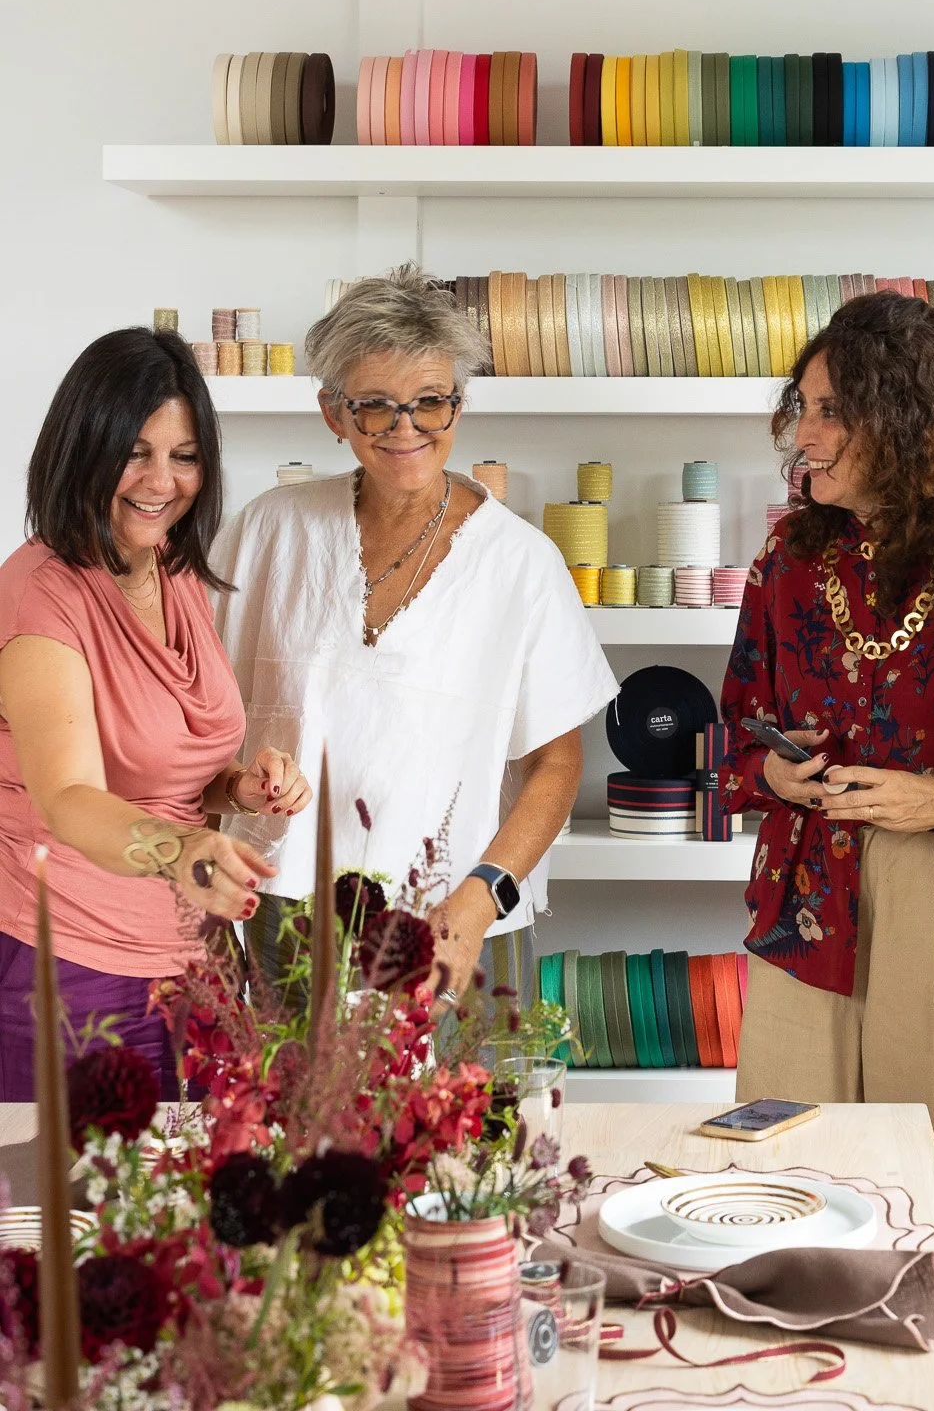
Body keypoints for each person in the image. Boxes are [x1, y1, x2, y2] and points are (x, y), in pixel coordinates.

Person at [721, 290, 934, 1342]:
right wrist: (773, 777)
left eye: (833, 409)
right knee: (777, 1183)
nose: (806, 432)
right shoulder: (787, 563)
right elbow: (736, 725)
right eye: (805, 406)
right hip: (802, 905)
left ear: (906, 419)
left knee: (932, 1203)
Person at [214, 265, 617, 1004]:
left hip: (456, 919)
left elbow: (556, 765)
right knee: (297, 1119)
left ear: (458, 406)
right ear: (333, 412)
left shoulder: (520, 561)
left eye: (431, 402)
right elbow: (198, 709)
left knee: (470, 1121)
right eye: (376, 406)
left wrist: (479, 897)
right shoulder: (270, 529)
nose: (408, 429)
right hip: (288, 907)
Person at [0, 328, 310, 1100]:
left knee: (186, 1211)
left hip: (190, 965)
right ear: (83, 447)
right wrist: (179, 852)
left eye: (185, 455)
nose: (161, 481)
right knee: (66, 1217)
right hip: (71, 970)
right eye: (135, 452)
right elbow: (68, 797)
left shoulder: (168, 567)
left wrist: (236, 788)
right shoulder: (43, 597)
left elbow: (159, 765)